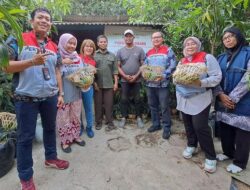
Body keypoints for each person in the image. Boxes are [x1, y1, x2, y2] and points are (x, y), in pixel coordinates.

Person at [5, 8, 69, 190]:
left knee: (50, 129)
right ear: (31, 21)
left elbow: (57, 69)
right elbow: (5, 66)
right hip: (26, 98)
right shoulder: (18, 38)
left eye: (48, 19)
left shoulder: (53, 45)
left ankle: (50, 158)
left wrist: (61, 93)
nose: (44, 21)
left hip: (49, 97)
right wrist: (31, 62)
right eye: (40, 17)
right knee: (25, 138)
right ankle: (26, 177)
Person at [175, 37, 222, 173]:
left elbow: (217, 76)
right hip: (184, 97)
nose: (190, 46)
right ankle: (192, 145)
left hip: (200, 98)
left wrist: (201, 83)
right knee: (188, 124)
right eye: (187, 44)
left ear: (198, 45)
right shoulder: (182, 61)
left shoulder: (207, 58)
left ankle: (210, 156)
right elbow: (176, 77)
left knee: (200, 127)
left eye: (193, 43)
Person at [214, 27, 250, 174]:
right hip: (223, 99)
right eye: (224, 38)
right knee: (225, 128)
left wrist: (233, 98)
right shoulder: (221, 57)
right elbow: (215, 77)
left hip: (243, 100)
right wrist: (220, 95)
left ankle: (240, 162)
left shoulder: (248, 53)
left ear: (238, 37)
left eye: (230, 36)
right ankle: (228, 152)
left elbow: (249, 78)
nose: (227, 40)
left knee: (243, 131)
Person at [56, 33, 86, 153]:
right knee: (64, 119)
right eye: (69, 42)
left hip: (76, 94)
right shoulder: (58, 58)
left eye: (74, 43)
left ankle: (75, 136)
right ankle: (65, 141)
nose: (72, 45)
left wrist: (86, 80)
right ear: (63, 43)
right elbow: (56, 76)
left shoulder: (78, 58)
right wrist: (60, 94)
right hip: (64, 95)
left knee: (75, 117)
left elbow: (83, 74)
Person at [144, 31, 176, 139]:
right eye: (153, 38)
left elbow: (172, 66)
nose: (156, 39)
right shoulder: (148, 52)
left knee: (164, 106)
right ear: (151, 40)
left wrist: (164, 75)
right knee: (153, 106)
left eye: (158, 37)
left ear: (162, 38)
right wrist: (145, 74)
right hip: (150, 85)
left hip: (163, 84)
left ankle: (167, 127)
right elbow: (145, 66)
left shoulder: (168, 50)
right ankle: (156, 124)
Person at [116, 29, 145, 128]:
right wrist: (125, 76)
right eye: (126, 36)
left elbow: (142, 65)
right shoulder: (120, 51)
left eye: (130, 36)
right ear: (124, 38)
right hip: (124, 80)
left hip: (137, 80)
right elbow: (118, 66)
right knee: (124, 99)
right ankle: (124, 117)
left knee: (138, 99)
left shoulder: (140, 50)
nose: (128, 38)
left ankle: (139, 118)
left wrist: (136, 76)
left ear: (133, 37)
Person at [94, 35, 118, 131]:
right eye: (101, 42)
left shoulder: (112, 55)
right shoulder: (94, 55)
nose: (103, 43)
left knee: (109, 104)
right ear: (98, 43)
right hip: (97, 84)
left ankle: (109, 121)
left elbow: (115, 71)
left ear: (107, 43)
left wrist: (116, 83)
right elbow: (90, 70)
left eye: (105, 41)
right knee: (98, 104)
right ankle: (98, 122)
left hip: (109, 84)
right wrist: (94, 83)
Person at [79, 39, 96, 138]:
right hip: (76, 88)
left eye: (91, 46)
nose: (89, 48)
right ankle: (80, 127)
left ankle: (89, 127)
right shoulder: (77, 58)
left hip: (88, 88)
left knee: (88, 109)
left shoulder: (93, 61)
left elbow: (91, 76)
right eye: (87, 46)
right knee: (78, 110)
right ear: (83, 47)